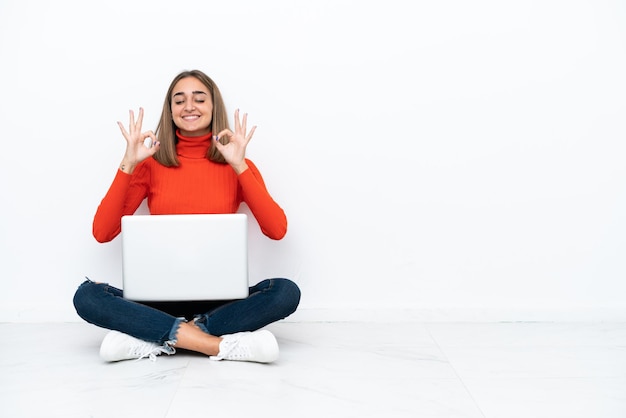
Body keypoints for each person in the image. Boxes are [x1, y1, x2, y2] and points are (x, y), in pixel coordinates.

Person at [73, 70, 301, 363]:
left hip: (222, 301)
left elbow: (277, 229)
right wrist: (128, 163)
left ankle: (156, 337)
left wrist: (240, 166)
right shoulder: (151, 165)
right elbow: (102, 232)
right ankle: (214, 344)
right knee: (87, 296)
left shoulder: (238, 164)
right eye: (179, 100)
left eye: (199, 99)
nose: (189, 106)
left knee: (285, 292)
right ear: (170, 111)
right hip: (157, 300)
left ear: (213, 107)